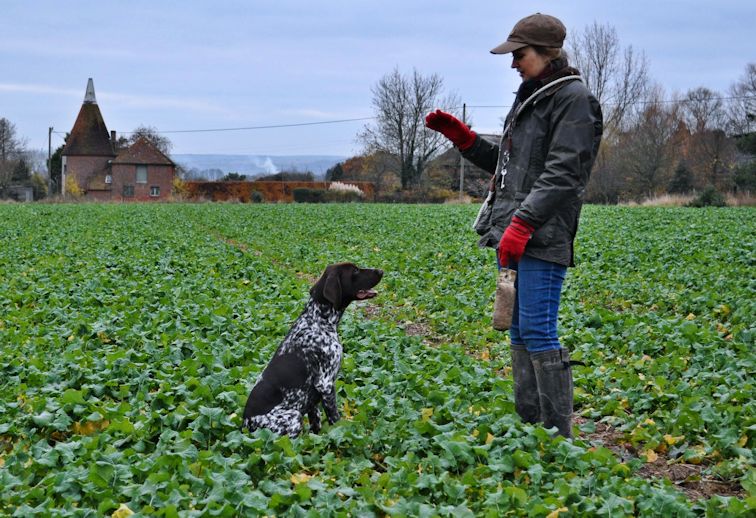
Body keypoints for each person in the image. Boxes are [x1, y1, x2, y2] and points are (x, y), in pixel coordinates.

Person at [425, 13, 603, 438]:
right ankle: (530, 426)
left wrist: (522, 224)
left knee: (540, 330)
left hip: (541, 233)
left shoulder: (573, 100)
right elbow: (509, 170)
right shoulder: (533, 96)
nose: (513, 64)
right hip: (515, 234)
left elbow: (564, 173)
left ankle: (556, 435)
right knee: (520, 329)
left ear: (547, 52)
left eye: (519, 55)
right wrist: (466, 141)